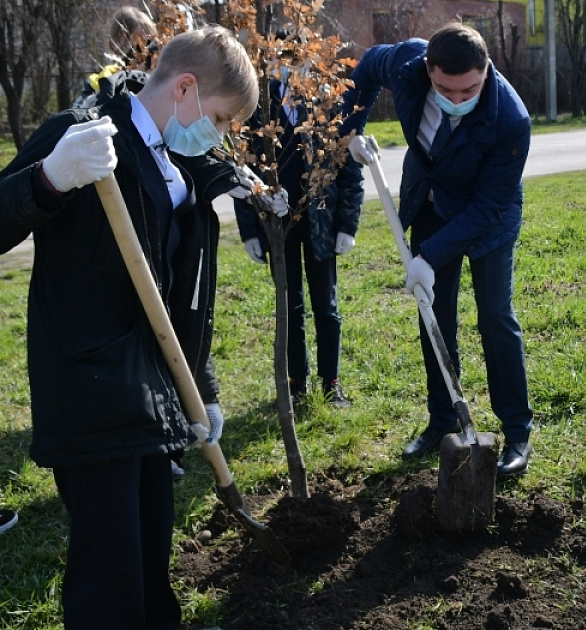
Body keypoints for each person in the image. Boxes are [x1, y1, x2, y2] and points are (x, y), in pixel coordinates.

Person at [0, 26, 258, 630]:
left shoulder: (177, 163)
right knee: (108, 573)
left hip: (150, 390)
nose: (217, 138)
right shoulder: (82, 134)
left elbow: (177, 291)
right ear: (186, 88)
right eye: (219, 120)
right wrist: (49, 180)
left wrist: (203, 383)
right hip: (90, 385)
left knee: (149, 552)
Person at [341, 23, 534, 478]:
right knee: (434, 316)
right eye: (446, 88)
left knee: (495, 318)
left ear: (487, 70)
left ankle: (517, 431)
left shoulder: (511, 118)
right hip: (430, 203)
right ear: (428, 69)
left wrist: (430, 256)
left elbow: (489, 205)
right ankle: (442, 420)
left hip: (488, 220)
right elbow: (365, 68)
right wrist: (352, 128)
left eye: (470, 88)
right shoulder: (406, 62)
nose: (459, 97)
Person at [234, 52, 362, 408]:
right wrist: (250, 231)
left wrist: (348, 223)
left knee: (326, 304)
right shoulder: (258, 110)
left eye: (297, 63)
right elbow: (243, 174)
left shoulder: (326, 107)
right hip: (277, 224)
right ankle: (295, 382)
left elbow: (348, 170)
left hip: (320, 220)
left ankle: (331, 381)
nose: (290, 72)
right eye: (281, 62)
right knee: (289, 306)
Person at [75, 7, 158, 108]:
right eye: (137, 40)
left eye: (150, 40)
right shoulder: (99, 85)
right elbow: (77, 118)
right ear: (114, 44)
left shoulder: (161, 84)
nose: (146, 48)